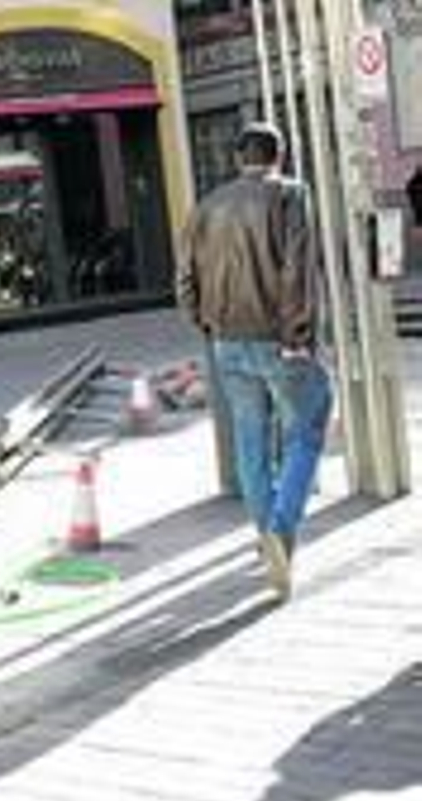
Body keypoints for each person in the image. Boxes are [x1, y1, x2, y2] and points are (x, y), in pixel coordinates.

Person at [176, 122, 331, 602]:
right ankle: (280, 532)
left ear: (237, 159)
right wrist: (298, 335)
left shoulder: (206, 207)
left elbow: (184, 279)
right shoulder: (290, 194)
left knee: (250, 440)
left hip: (226, 339)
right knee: (308, 426)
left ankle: (267, 538)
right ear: (280, 155)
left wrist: (207, 325)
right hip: (277, 337)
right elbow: (298, 269)